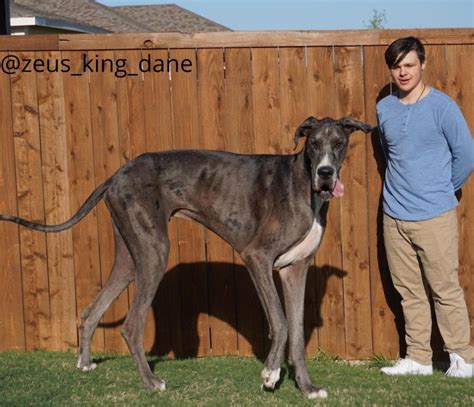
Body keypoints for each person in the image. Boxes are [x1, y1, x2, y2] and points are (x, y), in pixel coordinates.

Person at [376, 36, 474, 378]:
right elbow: (393, 158)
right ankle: (417, 358)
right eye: (396, 66)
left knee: (444, 288)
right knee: (409, 291)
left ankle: (462, 358)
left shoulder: (443, 107)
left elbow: (466, 155)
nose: (402, 72)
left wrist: (442, 190)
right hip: (394, 215)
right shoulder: (384, 108)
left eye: (409, 65)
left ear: (423, 64)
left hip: (435, 214)